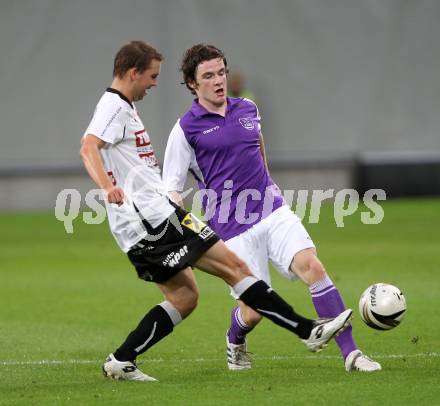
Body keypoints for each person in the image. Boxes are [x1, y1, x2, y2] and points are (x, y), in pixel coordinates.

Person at [79, 41, 352, 382]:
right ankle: (307, 330)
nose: (154, 83)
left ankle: (121, 359)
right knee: (234, 267)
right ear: (133, 73)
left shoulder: (124, 106)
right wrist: (107, 187)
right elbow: (88, 146)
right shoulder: (114, 106)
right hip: (153, 221)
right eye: (151, 76)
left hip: (157, 216)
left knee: (185, 297)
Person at [162, 43, 380, 372]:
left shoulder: (247, 108)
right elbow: (172, 190)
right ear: (192, 83)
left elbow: (257, 143)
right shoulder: (185, 130)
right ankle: (235, 337)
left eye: (221, 72)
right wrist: (182, 232)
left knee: (313, 268)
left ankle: (351, 354)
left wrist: (269, 181)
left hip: (272, 209)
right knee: (254, 311)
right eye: (208, 76)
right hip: (230, 228)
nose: (218, 80)